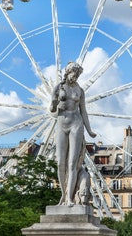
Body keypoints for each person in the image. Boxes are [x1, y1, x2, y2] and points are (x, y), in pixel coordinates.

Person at [50, 62, 96, 206]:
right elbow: (52, 109)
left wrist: (89, 130)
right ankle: (63, 196)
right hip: (61, 124)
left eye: (77, 75)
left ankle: (69, 198)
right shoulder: (58, 87)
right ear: (68, 72)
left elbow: (84, 111)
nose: (75, 77)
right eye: (73, 74)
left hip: (76, 124)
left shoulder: (80, 90)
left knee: (73, 164)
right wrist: (54, 101)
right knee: (60, 164)